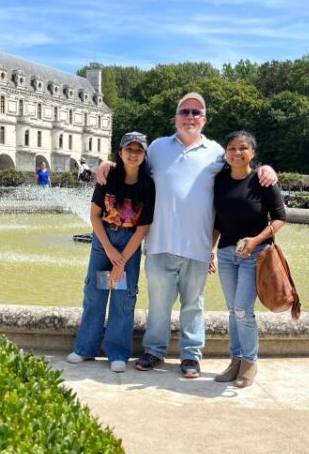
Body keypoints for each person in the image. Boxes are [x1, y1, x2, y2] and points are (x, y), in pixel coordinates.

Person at [98, 92, 276, 378]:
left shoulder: (217, 151)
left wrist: (265, 168)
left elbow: (242, 167)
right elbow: (132, 166)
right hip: (159, 242)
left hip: (198, 245)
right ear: (176, 117)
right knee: (158, 304)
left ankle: (191, 356)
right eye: (185, 112)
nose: (190, 117)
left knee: (194, 305)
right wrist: (109, 165)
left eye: (196, 112)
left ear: (204, 119)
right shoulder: (156, 148)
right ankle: (154, 351)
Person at [67, 132, 155, 372]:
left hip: (129, 242)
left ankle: (117, 352)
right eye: (129, 149)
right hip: (103, 238)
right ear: (120, 152)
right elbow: (95, 215)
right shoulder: (108, 177)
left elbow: (143, 227)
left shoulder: (147, 184)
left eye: (139, 150)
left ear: (144, 155)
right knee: (95, 292)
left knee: (123, 297)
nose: (133, 154)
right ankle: (85, 348)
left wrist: (121, 259)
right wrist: (107, 249)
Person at [211, 131, 286, 388]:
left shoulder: (262, 181)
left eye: (243, 148)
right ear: (226, 153)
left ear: (252, 153)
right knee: (233, 311)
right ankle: (236, 360)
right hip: (226, 253)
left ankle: (250, 362)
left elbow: (279, 218)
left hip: (255, 253)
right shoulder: (220, 180)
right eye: (232, 148)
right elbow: (218, 222)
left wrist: (255, 240)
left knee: (243, 310)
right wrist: (210, 250)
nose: (237, 153)